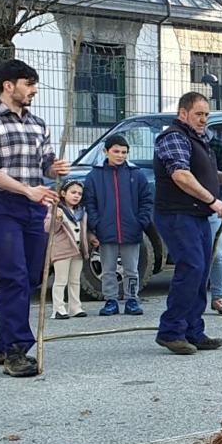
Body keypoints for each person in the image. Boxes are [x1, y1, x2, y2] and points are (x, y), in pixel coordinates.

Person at [0, 59, 70, 377]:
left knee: (34, 275)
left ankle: (3, 343)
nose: (34, 90)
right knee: (13, 277)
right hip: (1, 206)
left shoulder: (38, 124)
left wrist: (56, 169)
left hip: (33, 206)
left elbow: (46, 162)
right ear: (8, 86)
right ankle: (15, 351)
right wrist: (28, 190)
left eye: (34, 84)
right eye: (28, 83)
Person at [152, 92, 222, 354]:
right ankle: (171, 331)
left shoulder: (198, 139)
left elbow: (201, 173)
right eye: (198, 114)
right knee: (191, 268)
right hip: (177, 214)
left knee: (201, 270)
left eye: (206, 114)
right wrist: (213, 201)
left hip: (196, 215)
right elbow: (181, 175)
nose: (204, 119)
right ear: (183, 113)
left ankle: (194, 331)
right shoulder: (174, 137)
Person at [83, 133, 153, 317]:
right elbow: (89, 203)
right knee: (108, 270)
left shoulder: (136, 175)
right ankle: (110, 300)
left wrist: (141, 222)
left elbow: (146, 200)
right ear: (106, 151)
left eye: (124, 152)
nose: (120, 155)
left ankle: (131, 299)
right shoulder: (94, 176)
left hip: (132, 231)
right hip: (106, 232)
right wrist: (96, 224)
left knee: (131, 269)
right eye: (116, 151)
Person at [46, 180, 88, 320]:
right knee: (60, 280)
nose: (76, 196)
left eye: (79, 194)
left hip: (78, 250)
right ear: (63, 193)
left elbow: (83, 230)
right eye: (73, 192)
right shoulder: (56, 209)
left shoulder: (81, 212)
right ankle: (58, 308)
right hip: (63, 250)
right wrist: (56, 219)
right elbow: (48, 228)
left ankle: (75, 307)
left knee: (75, 280)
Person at [207, 133, 222, 316]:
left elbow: (221, 176)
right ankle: (196, 299)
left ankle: (217, 296)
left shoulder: (216, 145)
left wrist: (215, 199)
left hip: (212, 208)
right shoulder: (183, 142)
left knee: (217, 254)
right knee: (197, 257)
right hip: (191, 210)